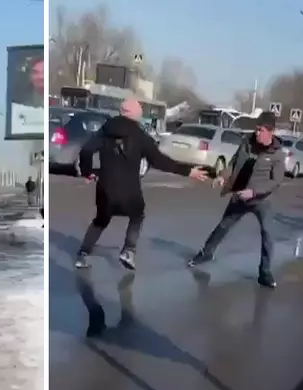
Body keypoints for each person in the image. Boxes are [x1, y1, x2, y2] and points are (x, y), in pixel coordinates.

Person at [75, 98, 208, 270]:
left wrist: (87, 171)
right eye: (139, 110)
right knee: (137, 216)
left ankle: (82, 255)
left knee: (101, 219)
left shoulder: (105, 130)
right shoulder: (139, 135)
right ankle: (128, 250)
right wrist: (188, 171)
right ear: (134, 113)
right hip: (129, 191)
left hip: (105, 188)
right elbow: (159, 160)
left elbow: (86, 150)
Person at [188, 112, 285, 288]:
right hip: (240, 195)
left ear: (271, 132)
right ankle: (206, 253)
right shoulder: (247, 143)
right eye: (256, 129)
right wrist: (223, 176)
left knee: (268, 235)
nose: (257, 133)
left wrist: (254, 192)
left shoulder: (277, 154)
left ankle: (265, 272)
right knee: (223, 225)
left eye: (261, 130)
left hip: (261, 199)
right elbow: (234, 162)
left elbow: (276, 181)